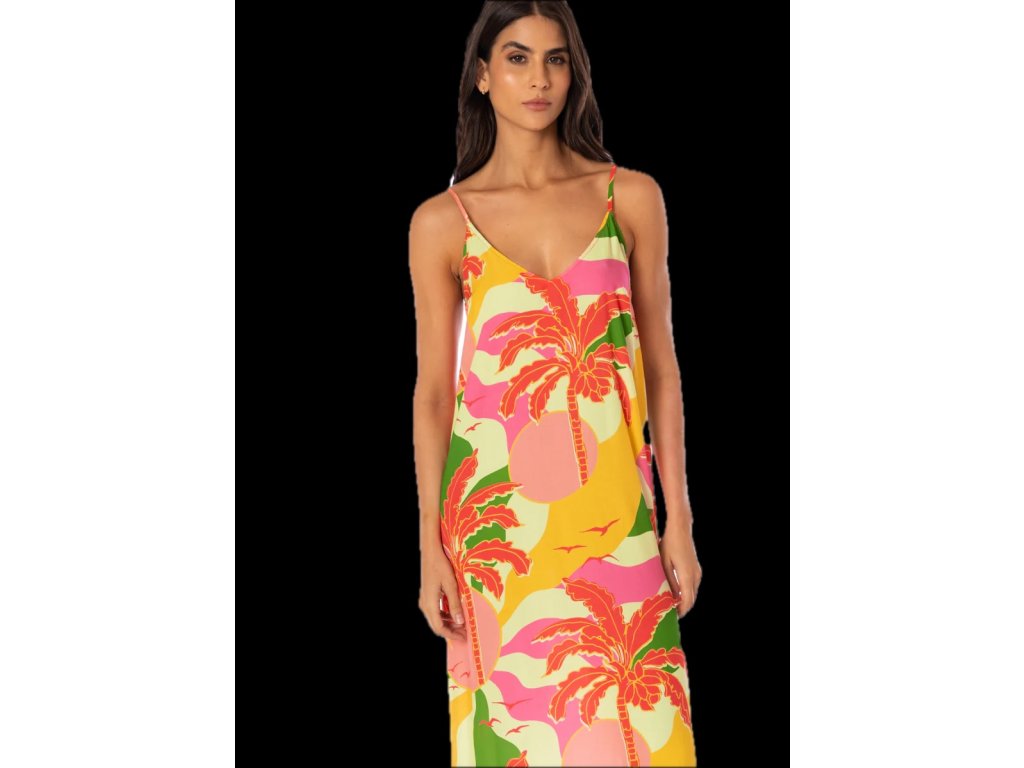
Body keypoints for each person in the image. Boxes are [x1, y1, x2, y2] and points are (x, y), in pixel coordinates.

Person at [408, 2, 701, 765]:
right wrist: (430, 546)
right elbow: (434, 395)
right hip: (497, 537)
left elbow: (662, 369)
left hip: (619, 516)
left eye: (556, 58)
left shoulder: (629, 197)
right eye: (517, 58)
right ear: (482, 75)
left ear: (575, 73)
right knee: (512, 739)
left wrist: (678, 521)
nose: (539, 78)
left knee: (643, 734)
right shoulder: (443, 221)